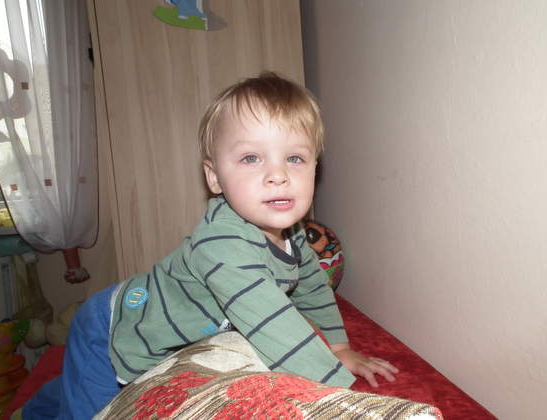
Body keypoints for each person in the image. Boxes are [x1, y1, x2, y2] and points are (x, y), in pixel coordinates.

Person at [21, 72, 398, 420]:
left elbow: (313, 288)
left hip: (155, 322)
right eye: (251, 158)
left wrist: (339, 347)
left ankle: (40, 405)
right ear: (214, 177)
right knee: (96, 407)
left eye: (295, 158)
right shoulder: (222, 245)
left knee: (74, 386)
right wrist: (338, 398)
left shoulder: (294, 233)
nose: (278, 175)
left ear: (315, 167)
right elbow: (273, 325)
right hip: (111, 329)